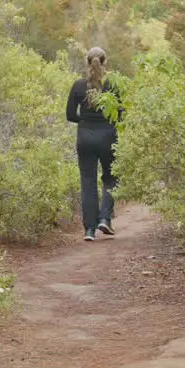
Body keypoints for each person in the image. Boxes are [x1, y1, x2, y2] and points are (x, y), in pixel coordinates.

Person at [65, 46, 121, 242]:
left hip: (85, 138)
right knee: (111, 177)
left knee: (88, 182)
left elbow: (70, 115)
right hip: (108, 137)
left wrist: (86, 121)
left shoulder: (78, 85)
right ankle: (105, 218)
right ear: (104, 63)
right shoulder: (113, 85)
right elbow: (121, 114)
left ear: (87, 62)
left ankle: (89, 230)